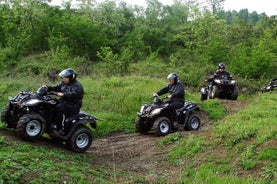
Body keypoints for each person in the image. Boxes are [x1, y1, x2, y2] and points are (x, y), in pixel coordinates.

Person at [45, 68, 84, 133]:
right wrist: (48, 87)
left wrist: (63, 94)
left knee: (59, 108)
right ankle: (49, 123)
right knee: (50, 103)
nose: (64, 79)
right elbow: (57, 88)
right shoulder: (64, 83)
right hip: (64, 102)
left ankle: (60, 127)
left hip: (74, 105)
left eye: (66, 77)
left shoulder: (77, 86)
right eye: (64, 77)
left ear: (71, 77)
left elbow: (74, 94)